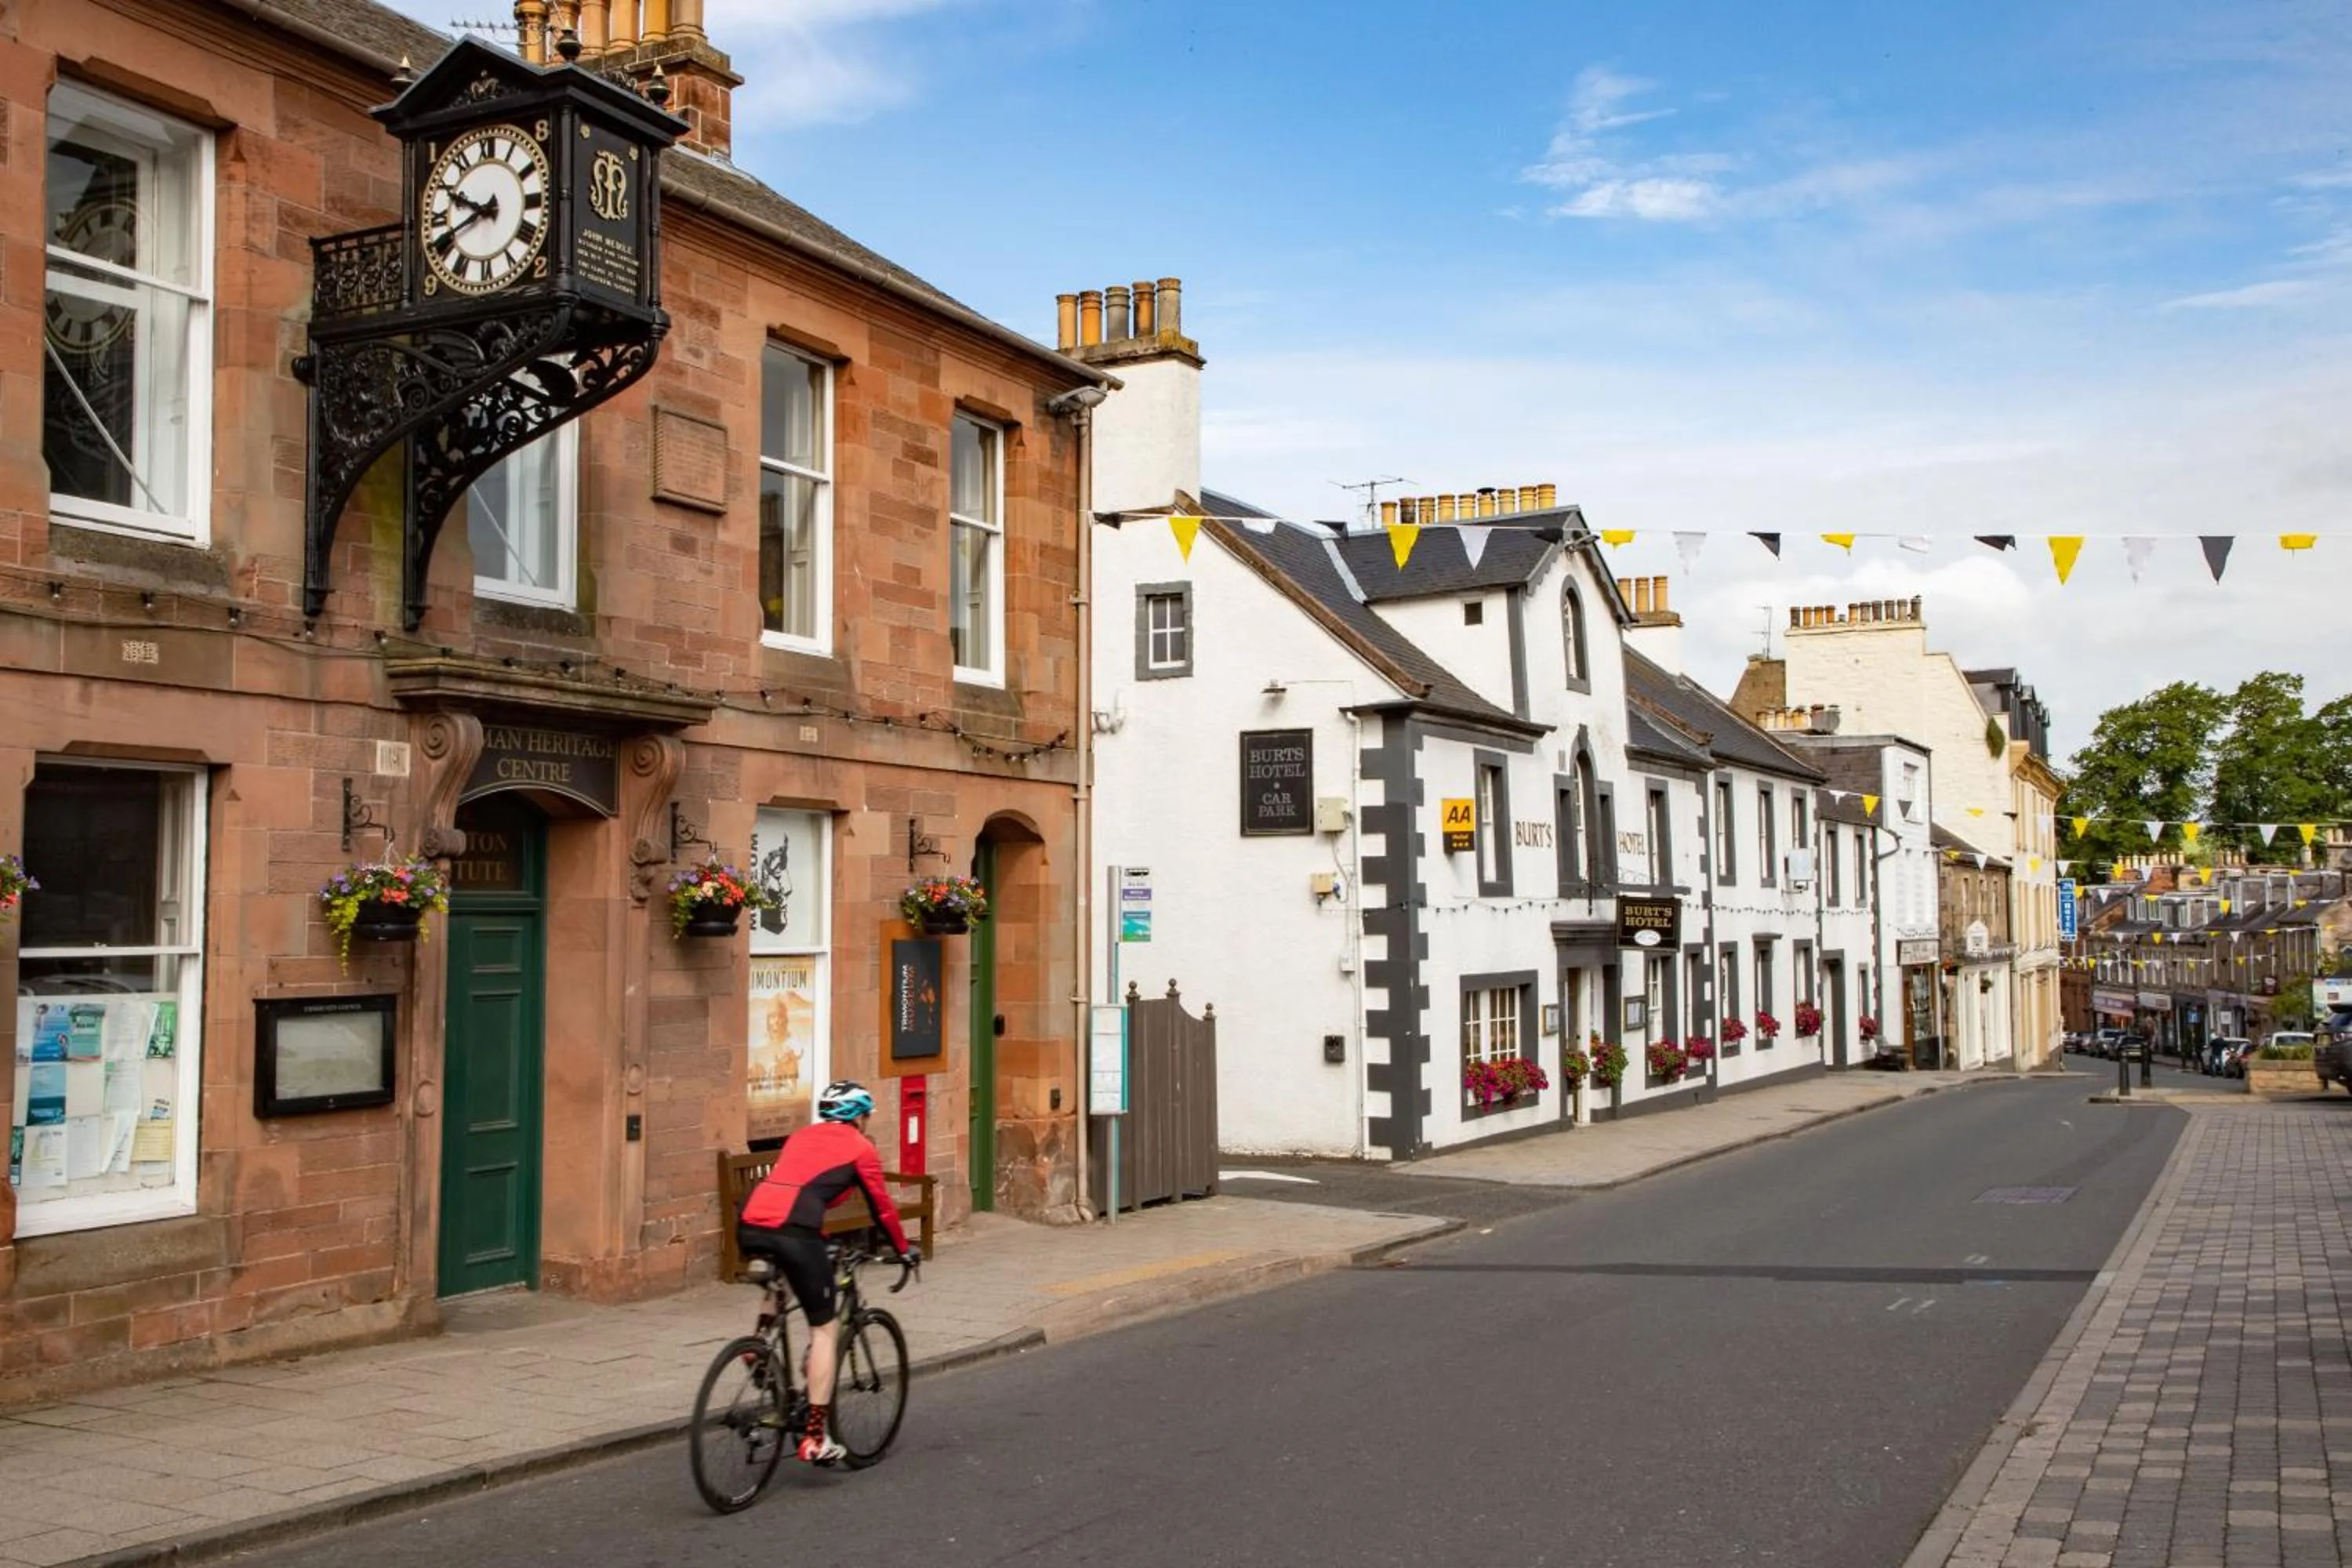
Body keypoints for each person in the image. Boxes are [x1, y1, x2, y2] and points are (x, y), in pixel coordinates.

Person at [736, 1080, 919, 1464]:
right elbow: (881, 1208)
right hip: (794, 1231)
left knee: (783, 1275)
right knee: (825, 1329)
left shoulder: (801, 1137)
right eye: (867, 1116)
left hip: (752, 1221)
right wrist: (903, 1250)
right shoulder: (860, 1148)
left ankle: (758, 1344)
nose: (868, 1123)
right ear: (860, 1117)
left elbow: (802, 1187)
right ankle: (816, 1438)